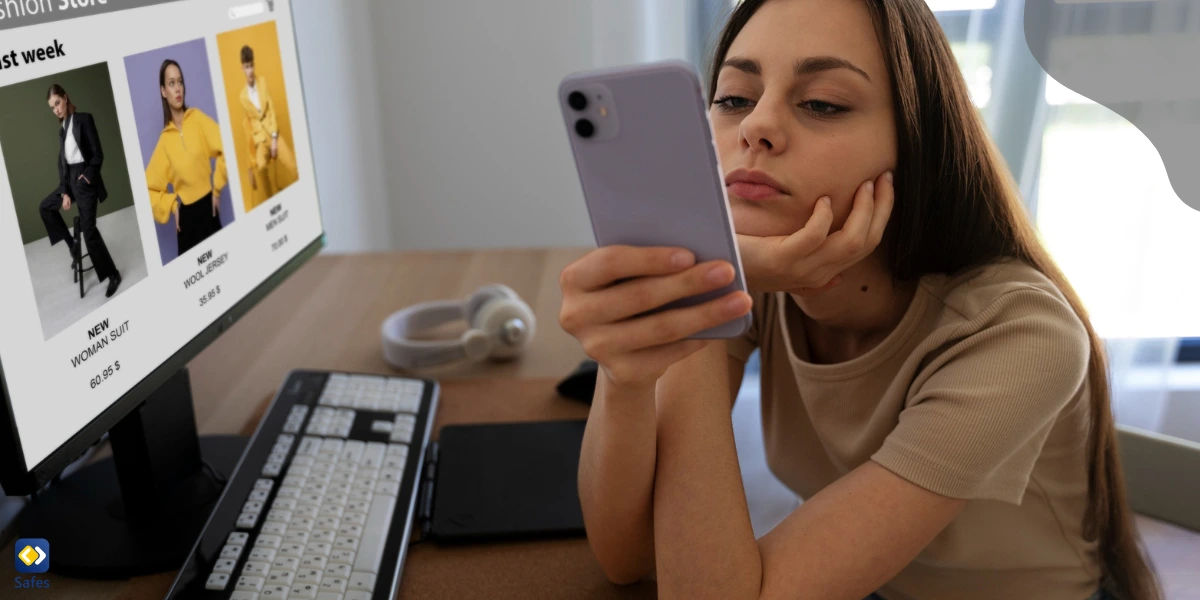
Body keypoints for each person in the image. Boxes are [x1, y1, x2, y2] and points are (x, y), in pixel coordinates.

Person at [558, 1, 1162, 600]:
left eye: (823, 103)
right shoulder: (766, 275)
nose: (754, 126)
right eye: (735, 98)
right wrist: (630, 369)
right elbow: (625, 558)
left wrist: (699, 296)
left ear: (914, 145)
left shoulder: (1020, 335)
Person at [39, 84, 121, 298]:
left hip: (85, 180)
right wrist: (65, 192)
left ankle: (113, 274)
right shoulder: (62, 130)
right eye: (52, 107)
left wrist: (86, 178)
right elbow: (62, 165)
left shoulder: (84, 119)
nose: (56, 109)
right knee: (45, 207)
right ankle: (72, 246)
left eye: (57, 103)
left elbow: (97, 154)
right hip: (69, 181)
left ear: (65, 98)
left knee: (89, 230)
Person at [146, 59, 227, 256]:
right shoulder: (164, 141)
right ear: (163, 91)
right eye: (171, 83)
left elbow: (226, 145)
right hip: (187, 220)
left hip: (210, 210)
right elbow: (148, 188)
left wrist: (216, 190)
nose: (177, 89)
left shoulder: (198, 119)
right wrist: (173, 206)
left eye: (180, 82)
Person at [238, 44, 296, 210]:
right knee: (261, 167)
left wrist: (275, 139)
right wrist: (250, 166)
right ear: (242, 68)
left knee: (292, 164)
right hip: (259, 140)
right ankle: (273, 204)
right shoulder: (242, 97)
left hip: (272, 133)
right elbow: (247, 129)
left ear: (254, 65)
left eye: (251, 66)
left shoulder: (262, 82)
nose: (250, 71)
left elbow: (271, 108)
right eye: (246, 67)